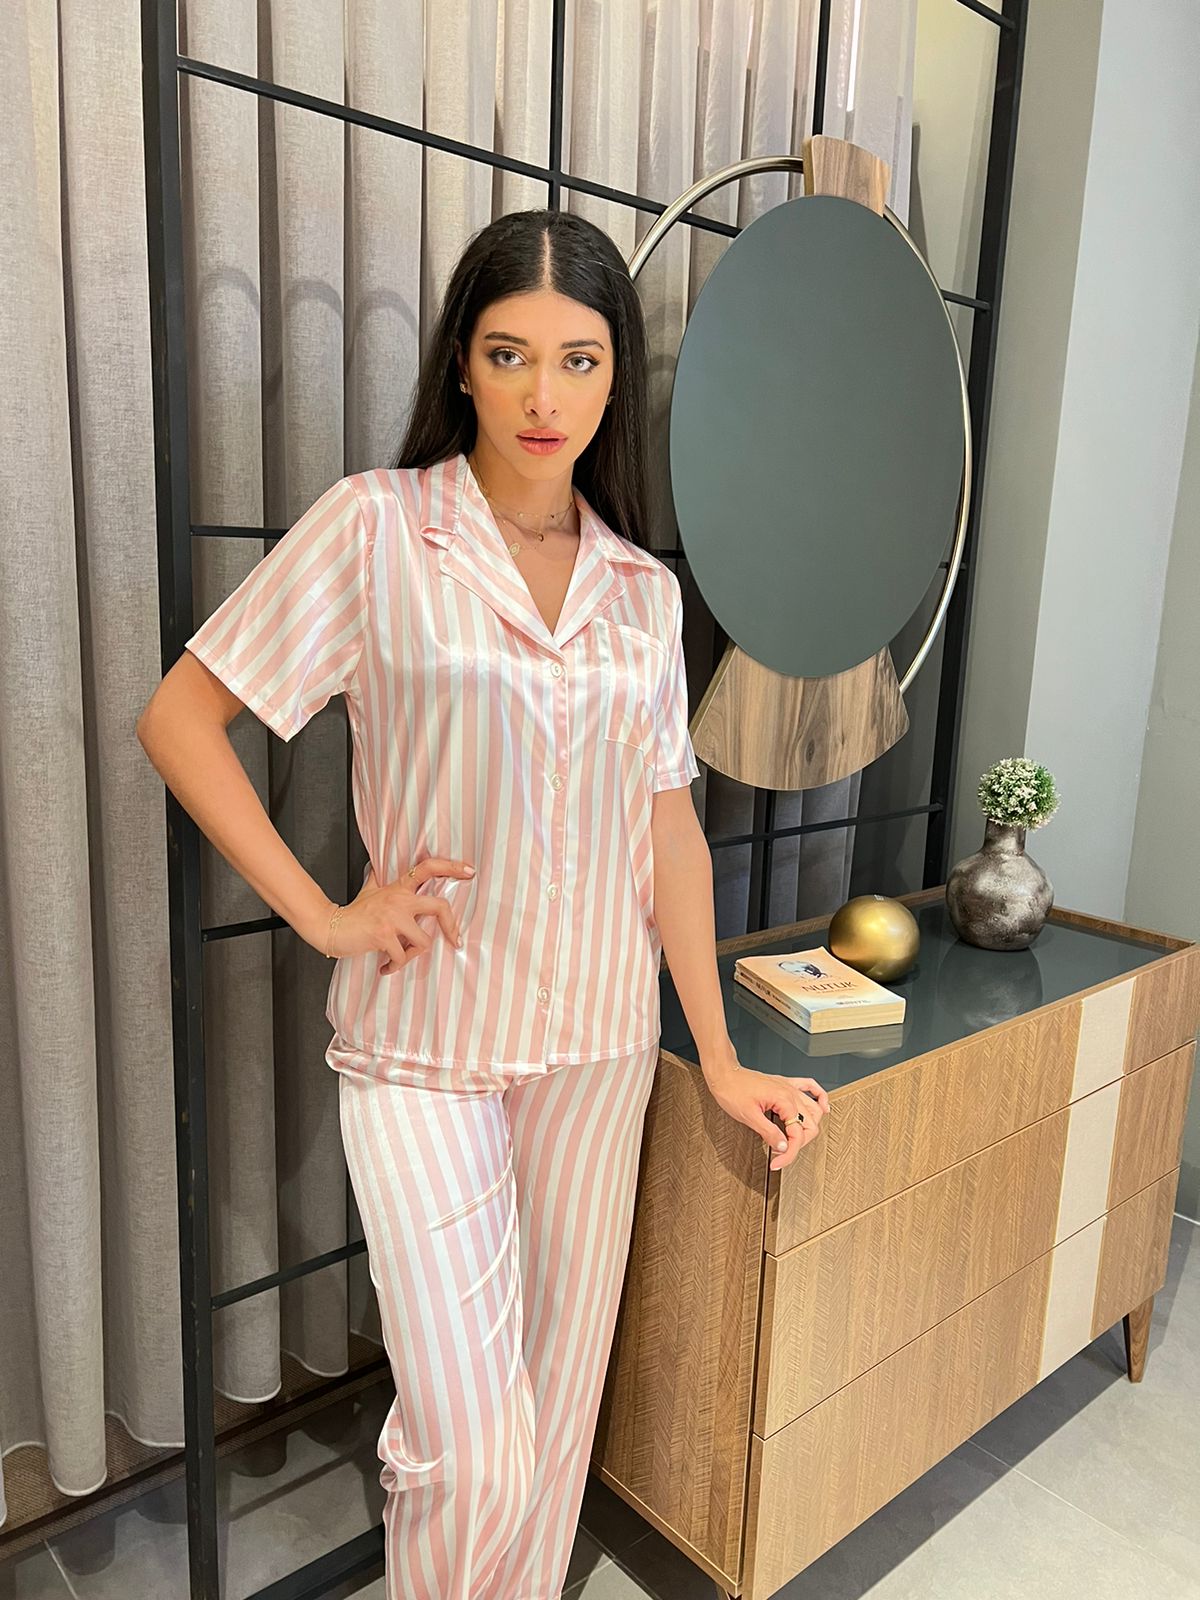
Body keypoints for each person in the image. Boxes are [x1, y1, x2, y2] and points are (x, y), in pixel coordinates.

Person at [136, 206, 827, 1600]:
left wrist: (723, 1050)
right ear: (462, 362)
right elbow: (182, 720)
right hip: (423, 1048)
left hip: (595, 1049)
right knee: (470, 1448)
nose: (540, 395)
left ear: (614, 381)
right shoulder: (376, 529)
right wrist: (329, 915)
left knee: (556, 1423)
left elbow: (669, 836)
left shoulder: (641, 592)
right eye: (509, 355)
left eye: (578, 362)